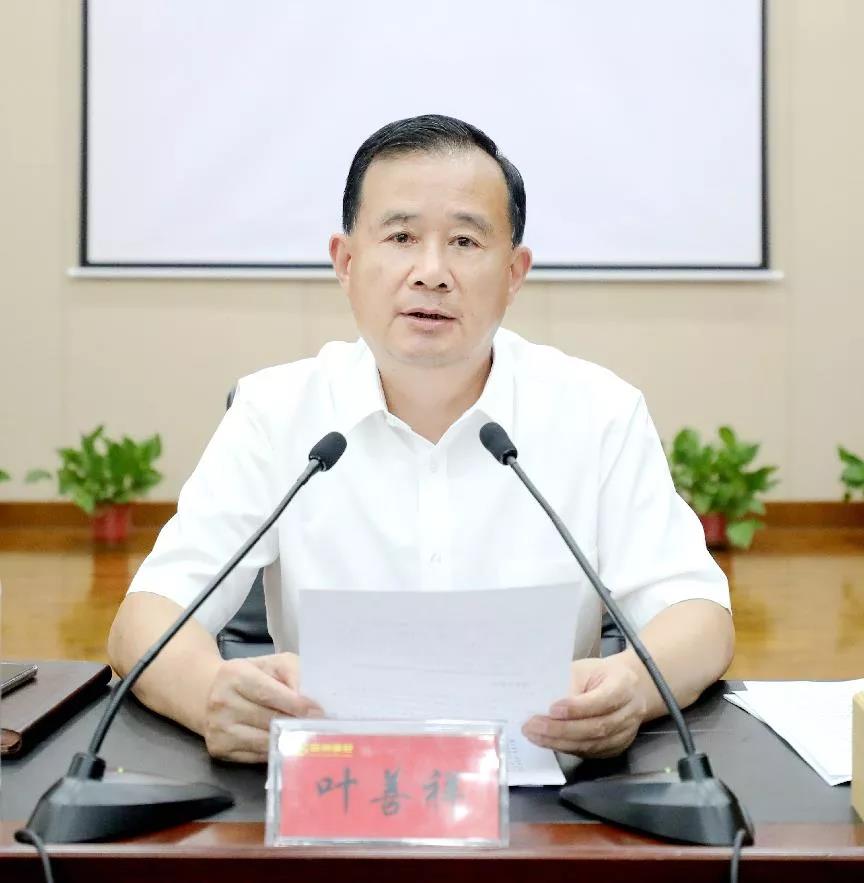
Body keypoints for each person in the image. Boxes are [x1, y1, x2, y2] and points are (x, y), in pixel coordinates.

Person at [108, 114, 734, 765]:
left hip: (548, 791)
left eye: (465, 241)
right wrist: (208, 693)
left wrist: (632, 686)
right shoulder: (276, 413)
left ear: (514, 272)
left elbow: (699, 616)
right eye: (401, 236)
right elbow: (146, 619)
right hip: (330, 782)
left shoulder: (598, 412)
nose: (431, 272)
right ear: (346, 262)